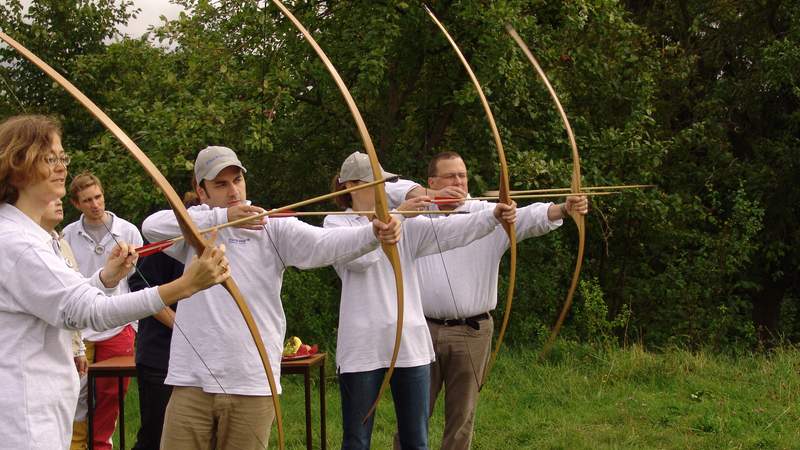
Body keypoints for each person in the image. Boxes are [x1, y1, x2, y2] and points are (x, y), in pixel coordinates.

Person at [141, 145, 402, 448]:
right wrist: (224, 218)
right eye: (221, 184)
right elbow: (151, 227)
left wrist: (374, 233)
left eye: (237, 180)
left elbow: (324, 243)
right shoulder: (195, 227)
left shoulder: (271, 226)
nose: (233, 191)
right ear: (202, 192)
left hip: (252, 382)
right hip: (191, 381)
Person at [0, 114, 230, 449]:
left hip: (34, 412)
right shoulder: (17, 242)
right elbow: (86, 312)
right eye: (52, 158)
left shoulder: (29, 234)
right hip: (23, 420)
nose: (63, 167)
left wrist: (106, 277)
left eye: (63, 157)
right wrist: (184, 286)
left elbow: (59, 302)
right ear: (19, 163)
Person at [387, 151, 589, 450]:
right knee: (414, 413)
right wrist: (428, 195)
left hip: (472, 331)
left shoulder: (489, 213)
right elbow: (384, 185)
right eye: (450, 176)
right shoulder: (417, 214)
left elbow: (530, 217)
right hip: (422, 330)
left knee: (462, 416)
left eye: (462, 175)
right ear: (432, 181)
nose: (458, 181)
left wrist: (562, 208)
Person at [324, 151, 517, 450]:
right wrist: (398, 215)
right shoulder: (336, 224)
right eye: (377, 183)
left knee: (416, 439)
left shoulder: (406, 226)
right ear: (353, 186)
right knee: (357, 439)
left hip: (409, 345)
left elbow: (453, 230)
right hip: (361, 348)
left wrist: (492, 216)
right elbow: (360, 259)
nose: (383, 190)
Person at [62, 172, 143, 450]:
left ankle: (100, 446)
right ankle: (75, 445)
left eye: (98, 197)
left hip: (117, 322)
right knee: (76, 393)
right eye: (87, 200)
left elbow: (138, 280)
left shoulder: (128, 230)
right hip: (82, 325)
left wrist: (134, 324)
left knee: (112, 393)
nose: (95, 204)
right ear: (76, 203)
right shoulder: (67, 235)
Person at [128, 192, 199, 450]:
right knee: (155, 436)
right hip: (160, 355)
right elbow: (140, 287)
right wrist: (181, 324)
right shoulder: (168, 244)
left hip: (193, 361)